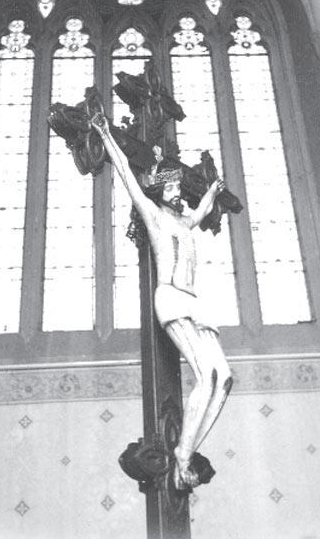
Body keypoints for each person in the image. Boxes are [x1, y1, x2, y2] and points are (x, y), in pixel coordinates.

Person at [91, 112, 233, 490]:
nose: (176, 191)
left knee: (225, 379)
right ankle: (183, 458)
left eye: (176, 188)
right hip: (171, 299)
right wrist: (106, 135)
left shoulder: (185, 222)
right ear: (158, 192)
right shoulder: (154, 216)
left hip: (194, 303)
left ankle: (189, 449)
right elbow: (126, 174)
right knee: (205, 377)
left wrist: (213, 191)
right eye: (169, 187)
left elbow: (201, 210)